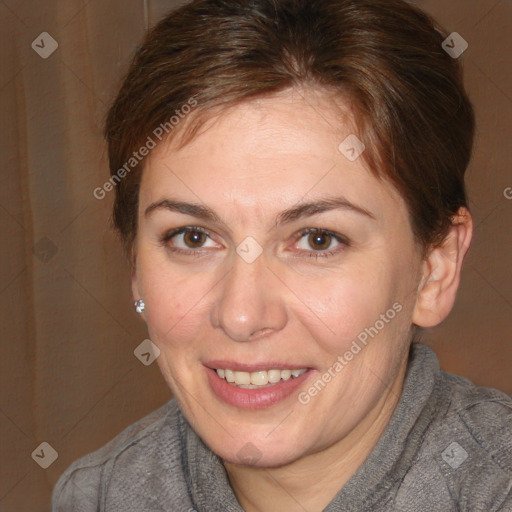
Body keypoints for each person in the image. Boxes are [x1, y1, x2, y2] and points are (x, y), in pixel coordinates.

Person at [52, 0, 512, 510]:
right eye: (193, 237)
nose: (242, 315)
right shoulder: (97, 496)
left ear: (434, 270)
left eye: (318, 239)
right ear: (136, 267)